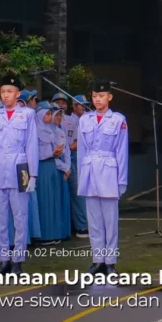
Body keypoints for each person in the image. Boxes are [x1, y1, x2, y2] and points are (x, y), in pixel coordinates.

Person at [0, 74, 38, 273]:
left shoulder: (27, 114)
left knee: (20, 216)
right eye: (3, 92)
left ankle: (18, 260)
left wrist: (32, 175)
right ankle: (3, 259)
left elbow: (31, 145)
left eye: (9, 92)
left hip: (20, 166)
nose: (6, 96)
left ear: (18, 94)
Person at [78, 79, 128, 274]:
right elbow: (81, 150)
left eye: (101, 96)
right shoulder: (85, 119)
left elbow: (122, 151)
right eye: (94, 96)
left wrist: (122, 179)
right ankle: (97, 259)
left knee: (110, 220)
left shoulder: (118, 120)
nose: (97, 100)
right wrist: (82, 175)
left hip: (109, 171)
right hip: (90, 170)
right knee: (94, 220)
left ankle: (110, 261)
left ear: (110, 96)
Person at [35, 103, 70, 243]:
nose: (49, 117)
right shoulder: (35, 131)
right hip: (42, 167)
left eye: (50, 114)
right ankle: (45, 235)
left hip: (52, 166)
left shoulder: (51, 131)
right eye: (47, 114)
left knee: (53, 201)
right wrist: (52, 153)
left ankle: (55, 233)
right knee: (45, 201)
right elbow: (36, 153)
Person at [68, 94, 90, 239]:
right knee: (78, 193)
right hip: (73, 158)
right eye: (82, 105)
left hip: (83, 158)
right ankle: (81, 226)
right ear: (75, 106)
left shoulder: (85, 119)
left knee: (86, 193)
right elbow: (71, 145)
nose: (85, 107)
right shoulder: (70, 121)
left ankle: (86, 224)